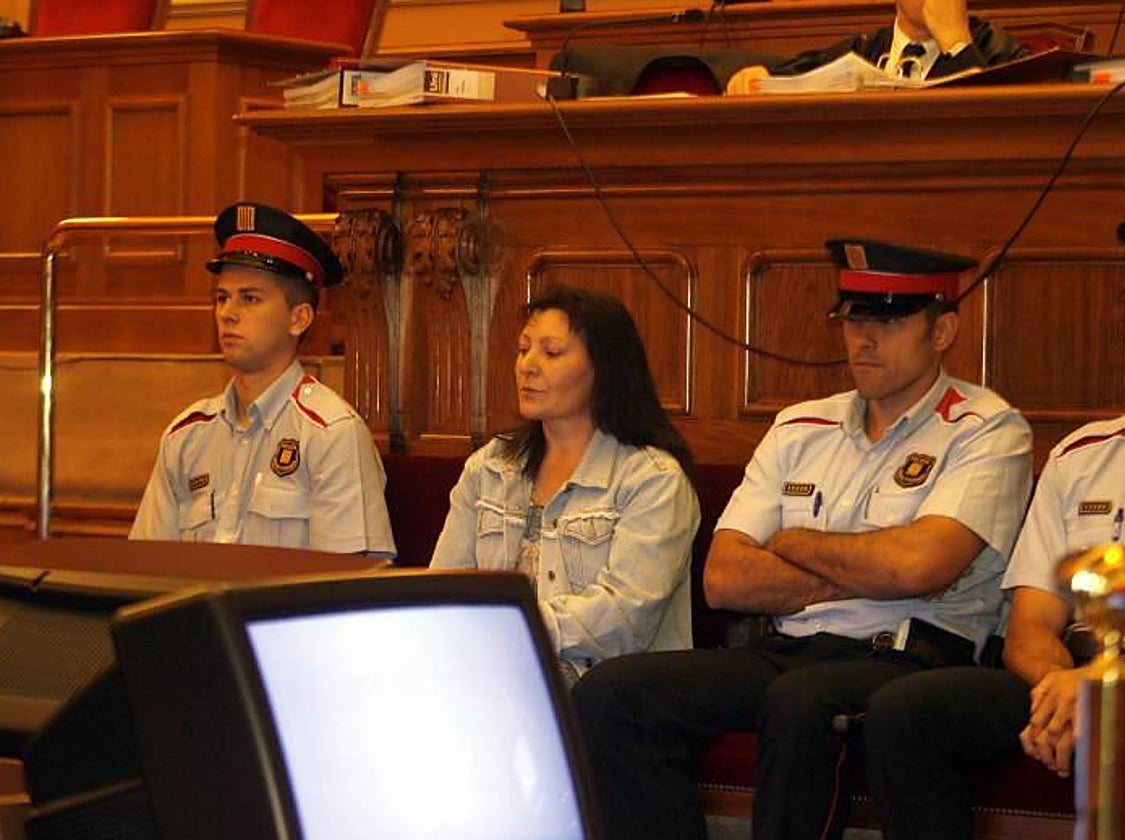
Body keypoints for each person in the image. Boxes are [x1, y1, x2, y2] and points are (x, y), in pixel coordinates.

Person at [572, 240, 1033, 840]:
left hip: (909, 657)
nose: (864, 340)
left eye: (890, 322)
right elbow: (724, 580)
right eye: (855, 321)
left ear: (942, 331)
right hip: (788, 648)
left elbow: (919, 566)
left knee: (801, 702)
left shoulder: (985, 428)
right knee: (612, 693)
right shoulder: (800, 426)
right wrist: (870, 564)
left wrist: (791, 543)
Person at [865, 215, 1125, 840]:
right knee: (906, 711)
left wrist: (1107, 684)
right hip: (1078, 668)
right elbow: (1029, 625)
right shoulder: (1081, 457)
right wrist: (1060, 686)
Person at [429, 284, 700, 684]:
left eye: (552, 352)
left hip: (608, 690)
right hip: (493, 668)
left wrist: (510, 627)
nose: (527, 366)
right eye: (523, 349)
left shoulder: (653, 480)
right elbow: (445, 584)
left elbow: (625, 618)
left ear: (604, 368)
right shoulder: (490, 466)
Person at [130, 202, 395, 557]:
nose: (228, 313)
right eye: (222, 298)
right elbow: (146, 567)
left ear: (299, 319)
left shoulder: (331, 434)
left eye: (250, 299)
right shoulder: (187, 436)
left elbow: (346, 582)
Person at [725, 0, 1028, 94]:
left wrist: (958, 44)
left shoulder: (1004, 55)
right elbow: (788, 79)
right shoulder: (862, 50)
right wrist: (755, 79)